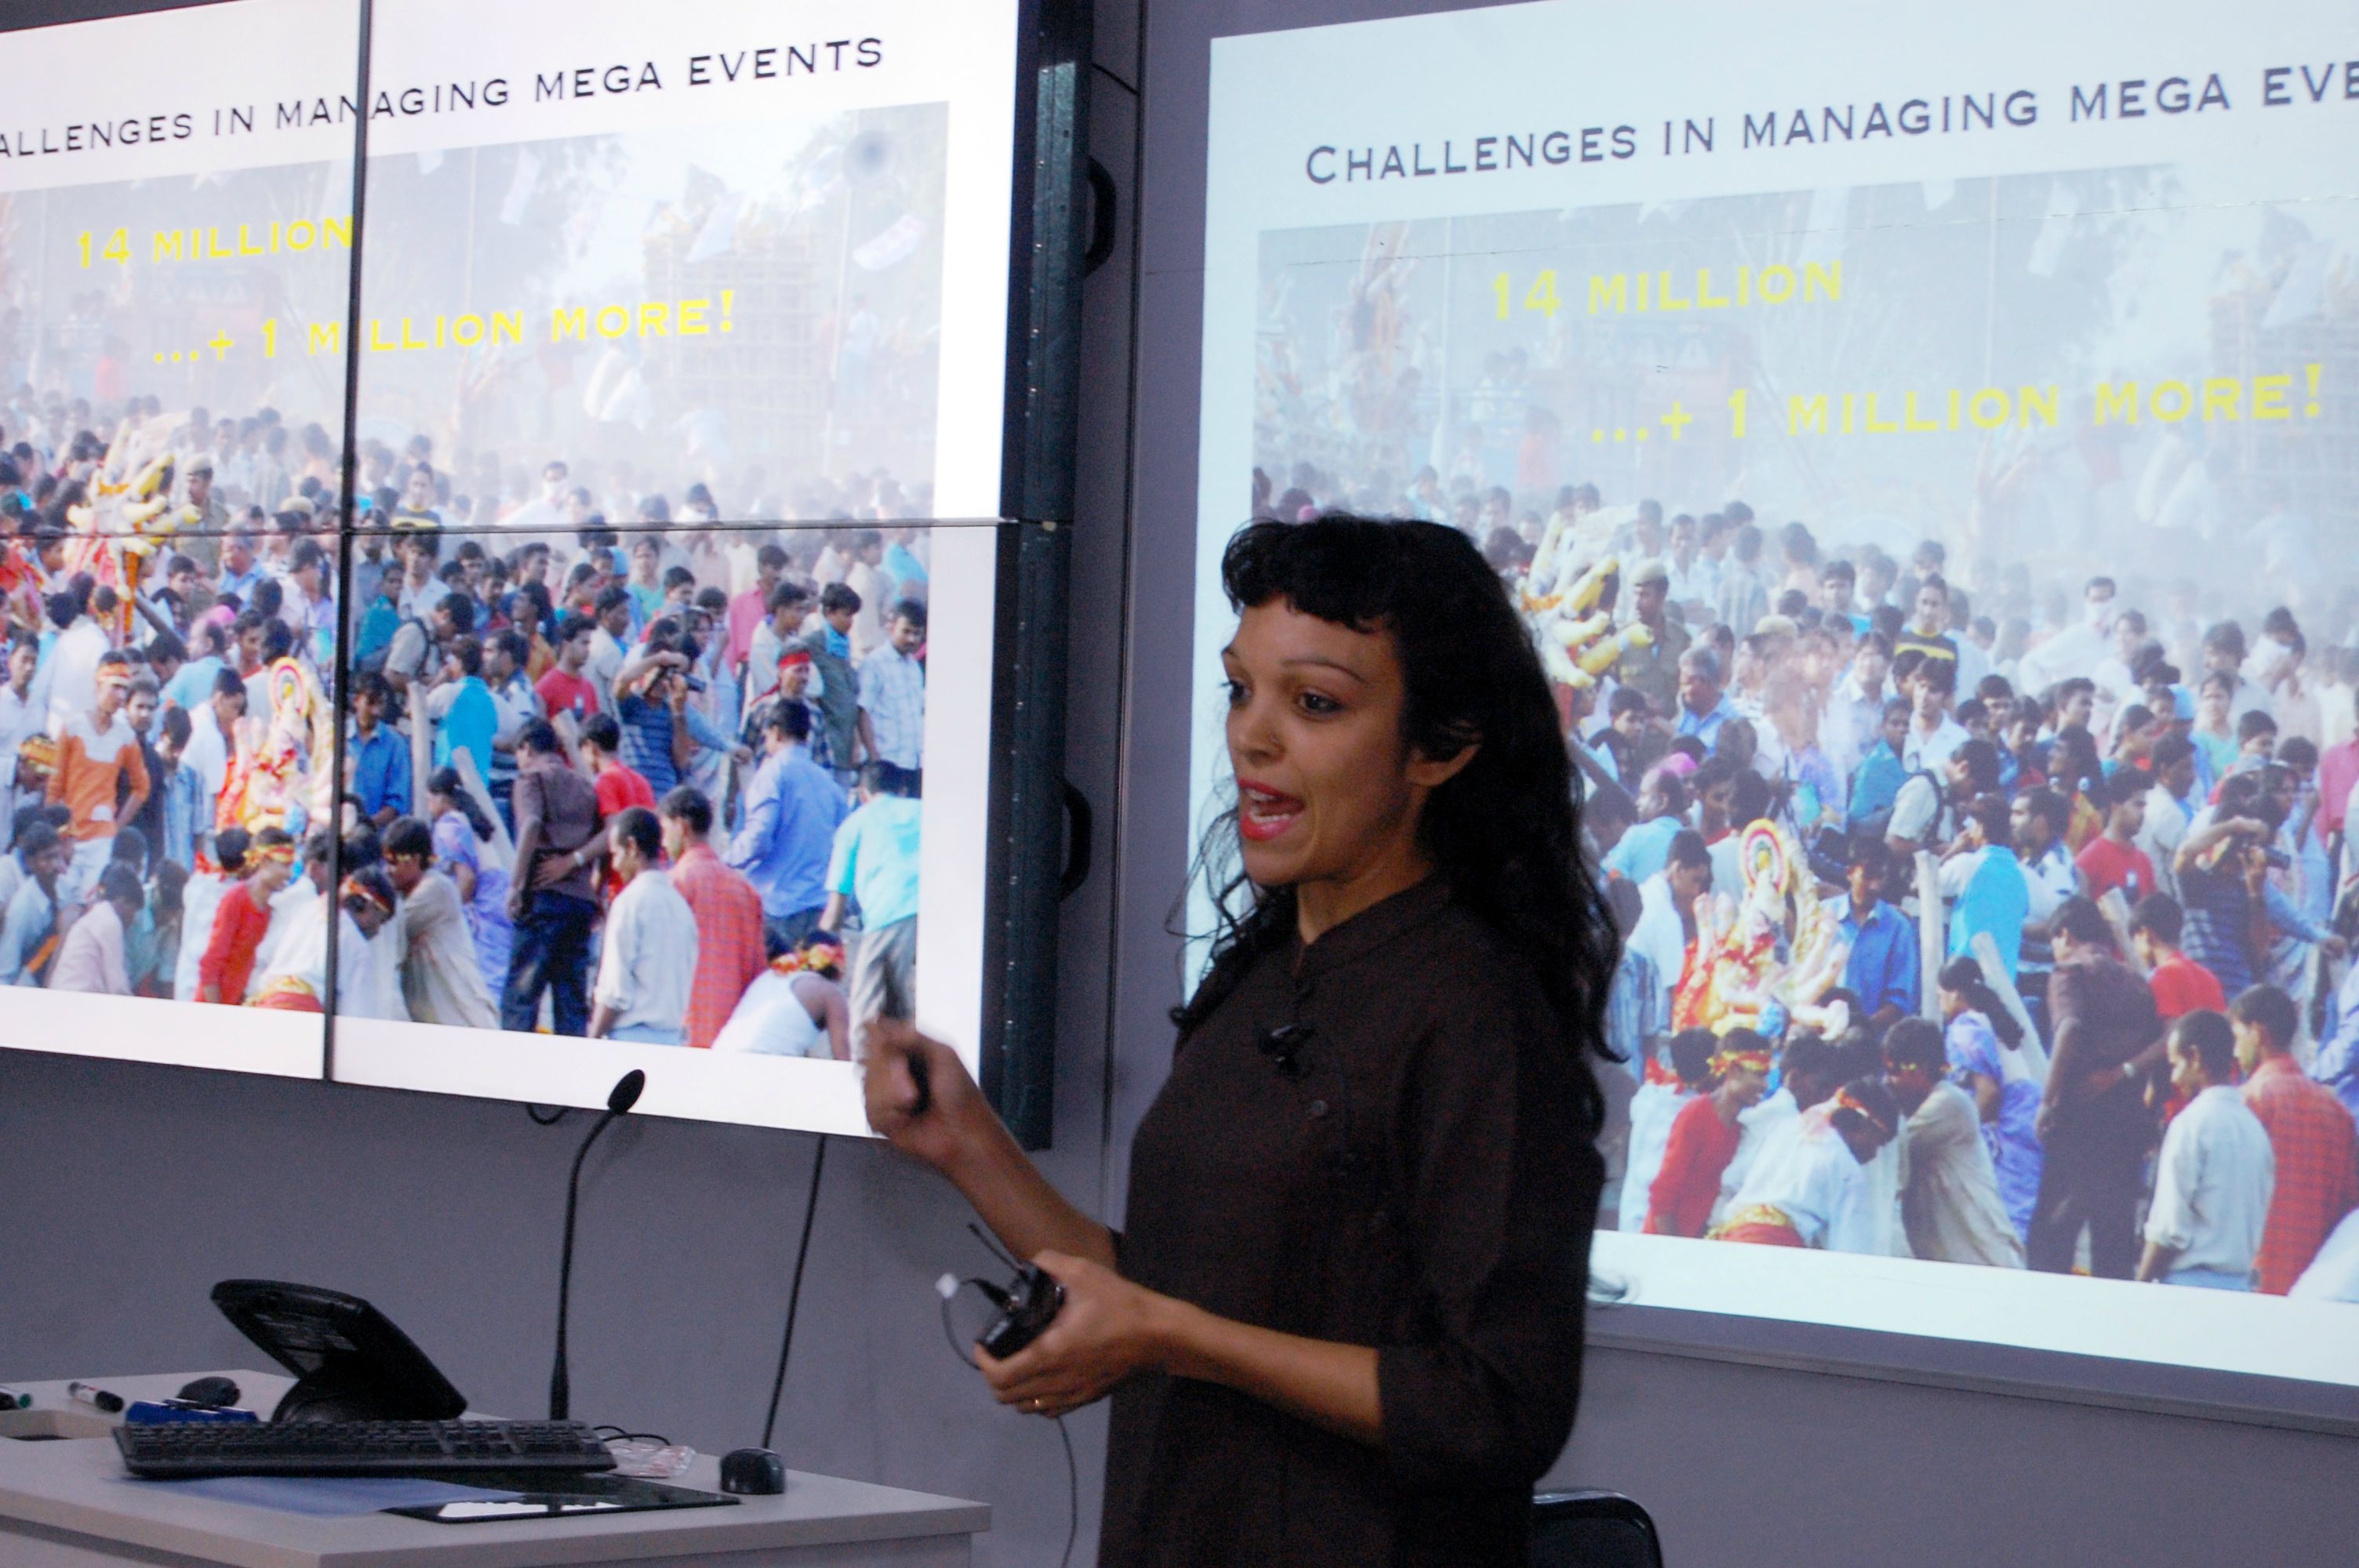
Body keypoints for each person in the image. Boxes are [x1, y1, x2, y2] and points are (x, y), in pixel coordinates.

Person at [863, 517, 1613, 1565]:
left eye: (1315, 704)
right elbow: (1172, 1299)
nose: (1253, 737)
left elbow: (1494, 1405)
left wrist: (1173, 1335)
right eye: (1240, 690)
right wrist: (965, 1142)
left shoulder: (1473, 1012)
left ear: (1440, 748)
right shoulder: (1259, 977)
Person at [2027, 897, 2163, 1278]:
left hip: (2077, 1120)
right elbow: (2158, 1047)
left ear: (2064, 935)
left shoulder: (2069, 973)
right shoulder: (2136, 982)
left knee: (2051, 1240)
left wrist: (2047, 1100)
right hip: (2126, 1124)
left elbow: (2069, 1028)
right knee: (2114, 1245)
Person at [2230, 985, 2359, 1295]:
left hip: (2255, 1276)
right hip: (2315, 1282)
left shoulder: (2250, 1101)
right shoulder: (2337, 1112)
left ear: (2257, 1033)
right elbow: (2350, 1206)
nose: (2234, 1052)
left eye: (2237, 1037)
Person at [2137, 1011, 2274, 1290]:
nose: (2174, 1078)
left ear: (2195, 1058)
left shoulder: (2191, 1124)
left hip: (2189, 1286)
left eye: (2176, 1065)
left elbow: (2169, 1230)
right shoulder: (2254, 1129)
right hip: (2239, 1287)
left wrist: (2139, 1287)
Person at [1885, 1017, 2024, 1266]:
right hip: (1952, 1258)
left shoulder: (1949, 1104)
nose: (1888, 1080)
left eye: (1895, 1070)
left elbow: (1890, 1151)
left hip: (1983, 1257)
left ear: (1921, 1068)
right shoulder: (1917, 1107)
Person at [1712, 1076, 1902, 1250]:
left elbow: (1733, 1179)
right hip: (1778, 1248)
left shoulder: (1786, 1128)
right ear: (1866, 1127)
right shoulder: (1846, 1168)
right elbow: (1848, 1248)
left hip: (1730, 1236)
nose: (1874, 1154)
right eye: (1878, 1143)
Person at [504, 719, 604, 1036]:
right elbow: (601, 836)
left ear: (526, 748)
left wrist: (515, 885)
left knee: (521, 1000)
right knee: (571, 1004)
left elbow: (532, 824)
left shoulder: (531, 778)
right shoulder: (584, 785)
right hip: (579, 901)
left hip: (543, 898)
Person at [1936, 956, 2043, 1240]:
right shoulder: (1992, 1020)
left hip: (2009, 1127)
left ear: (1955, 994)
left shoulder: (1964, 1030)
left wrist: (1964, 1134)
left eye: (1940, 995)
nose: (1940, 1004)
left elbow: (1988, 1091)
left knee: (2007, 1221)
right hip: (2030, 1117)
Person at [728, 701, 845, 951]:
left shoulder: (772, 774)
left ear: (777, 733)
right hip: (818, 903)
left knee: (773, 975)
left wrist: (726, 861)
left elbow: (759, 838)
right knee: (810, 975)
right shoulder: (827, 782)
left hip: (777, 904)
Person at [822, 761, 925, 1035]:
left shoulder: (855, 823)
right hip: (941, 908)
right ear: (902, 790)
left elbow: (835, 909)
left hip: (890, 913)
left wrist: (818, 946)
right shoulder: (924, 811)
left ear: (863, 793)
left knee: (866, 1011)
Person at [660, 786, 765, 1050]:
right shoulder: (745, 889)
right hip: (736, 1030)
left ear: (681, 827)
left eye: (665, 830)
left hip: (685, 1026)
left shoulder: (676, 883)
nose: (663, 842)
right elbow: (758, 971)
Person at [589, 805, 697, 1044]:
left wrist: (592, 1038)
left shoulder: (629, 903)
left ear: (632, 847)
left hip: (630, 1038)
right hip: (672, 1040)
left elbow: (615, 993)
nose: (615, 865)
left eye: (616, 854)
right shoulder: (681, 907)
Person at [1645, 1032, 1769, 1237]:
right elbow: (1662, 1195)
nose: (1765, 1085)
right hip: (1669, 1240)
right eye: (1759, 1075)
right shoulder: (1696, 1115)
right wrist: (1674, 1247)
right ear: (1734, 1070)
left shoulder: (1742, 1126)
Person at [49, 658, 150, 905]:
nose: (120, 696)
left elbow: (142, 787)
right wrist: (59, 836)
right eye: (115, 687)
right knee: (62, 904)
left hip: (102, 839)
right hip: (70, 836)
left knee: (92, 904)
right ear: (99, 685)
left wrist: (116, 826)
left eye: (124, 689)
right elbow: (55, 786)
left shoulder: (125, 737)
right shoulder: (73, 728)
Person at [382, 815, 496, 1029]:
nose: (388, 870)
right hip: (431, 1014)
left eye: (393, 862)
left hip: (459, 1013)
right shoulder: (403, 894)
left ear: (415, 859)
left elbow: (389, 931)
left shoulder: (436, 889)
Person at [424, 768, 511, 1000]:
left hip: (485, 904)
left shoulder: (449, 827)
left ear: (440, 798)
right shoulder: (468, 819)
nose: (428, 807)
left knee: (486, 980)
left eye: (429, 800)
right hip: (499, 896)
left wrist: (450, 915)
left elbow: (467, 879)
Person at [712, 931, 852, 1058]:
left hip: (719, 1056)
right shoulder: (830, 993)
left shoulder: (772, 974)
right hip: (761, 1065)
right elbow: (844, 1057)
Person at [196, 828, 295, 1005]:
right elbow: (210, 966)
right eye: (284, 866)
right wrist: (217, 1014)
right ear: (265, 861)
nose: (289, 874)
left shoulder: (267, 909)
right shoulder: (236, 899)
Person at [1836, 837, 1916, 1028]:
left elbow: (1900, 999)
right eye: (1868, 876)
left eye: (1881, 877)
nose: (1875, 886)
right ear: (1850, 873)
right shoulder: (1823, 917)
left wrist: (1864, 1030)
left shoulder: (1898, 927)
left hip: (1872, 1039)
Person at [48, 862, 144, 996]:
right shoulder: (110, 921)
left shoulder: (97, 915)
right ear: (123, 901)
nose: (134, 920)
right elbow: (118, 987)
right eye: (133, 911)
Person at [857, 597, 927, 775]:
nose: (912, 639)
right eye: (906, 632)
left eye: (917, 633)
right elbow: (863, 712)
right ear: (891, 627)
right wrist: (874, 759)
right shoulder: (874, 663)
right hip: (886, 762)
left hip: (913, 762)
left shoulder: (914, 667)